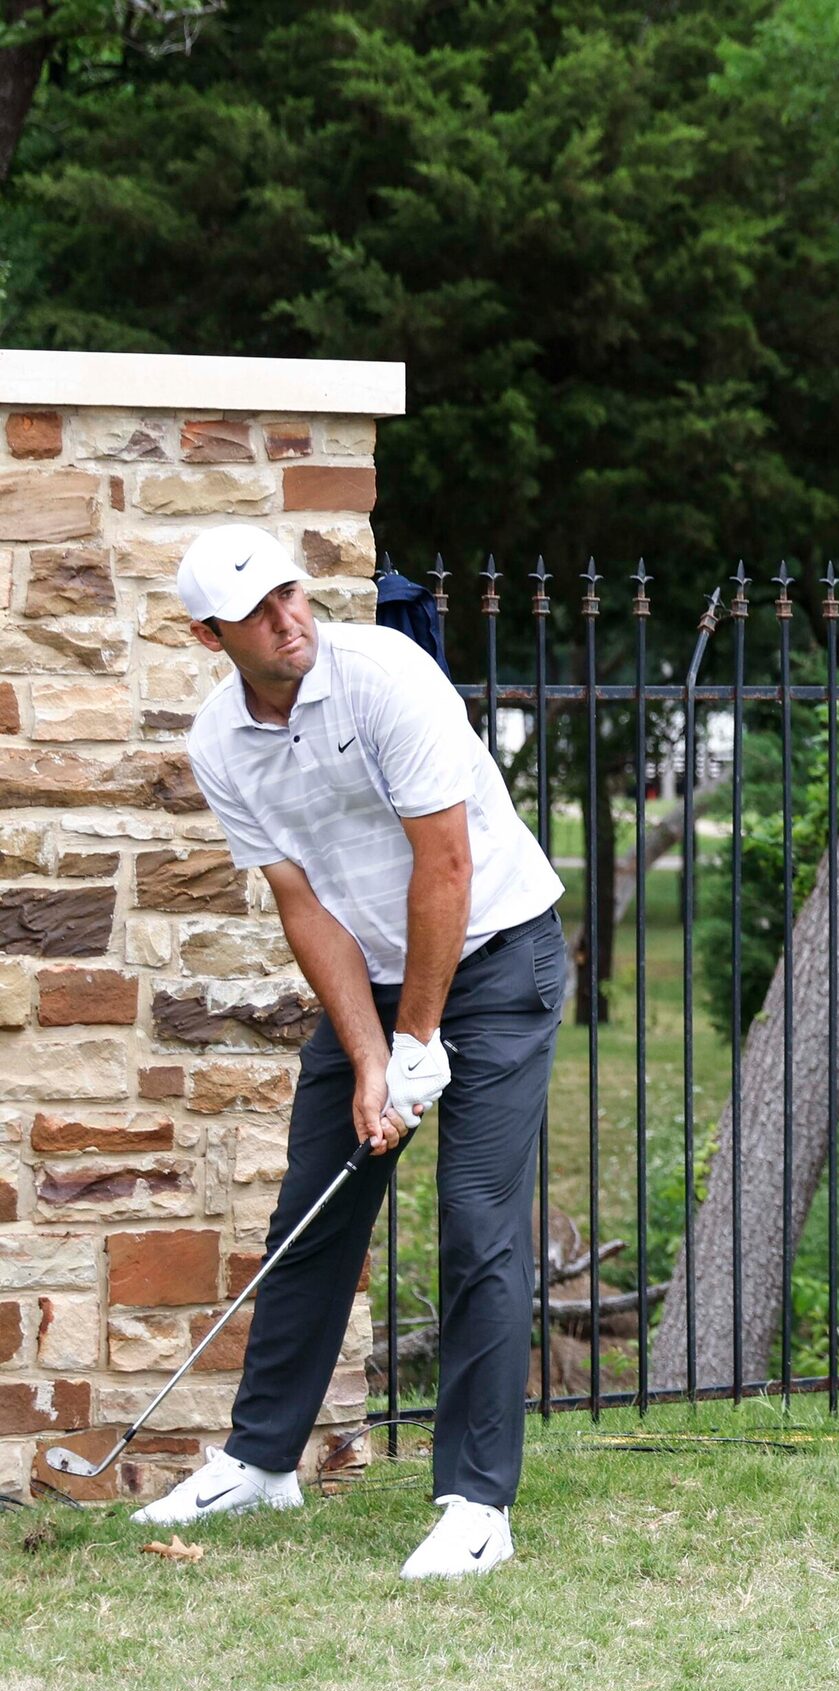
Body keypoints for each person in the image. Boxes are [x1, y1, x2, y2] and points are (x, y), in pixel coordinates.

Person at [133, 525, 568, 1580]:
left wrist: (417, 1044)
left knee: (477, 1225)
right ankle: (264, 1461)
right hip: (372, 974)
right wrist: (372, 1058)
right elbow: (303, 904)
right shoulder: (220, 743)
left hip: (500, 961)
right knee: (316, 1208)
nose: (290, 620)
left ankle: (476, 1504)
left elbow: (448, 866)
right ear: (209, 634)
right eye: (258, 612)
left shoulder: (386, 677)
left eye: (292, 593)